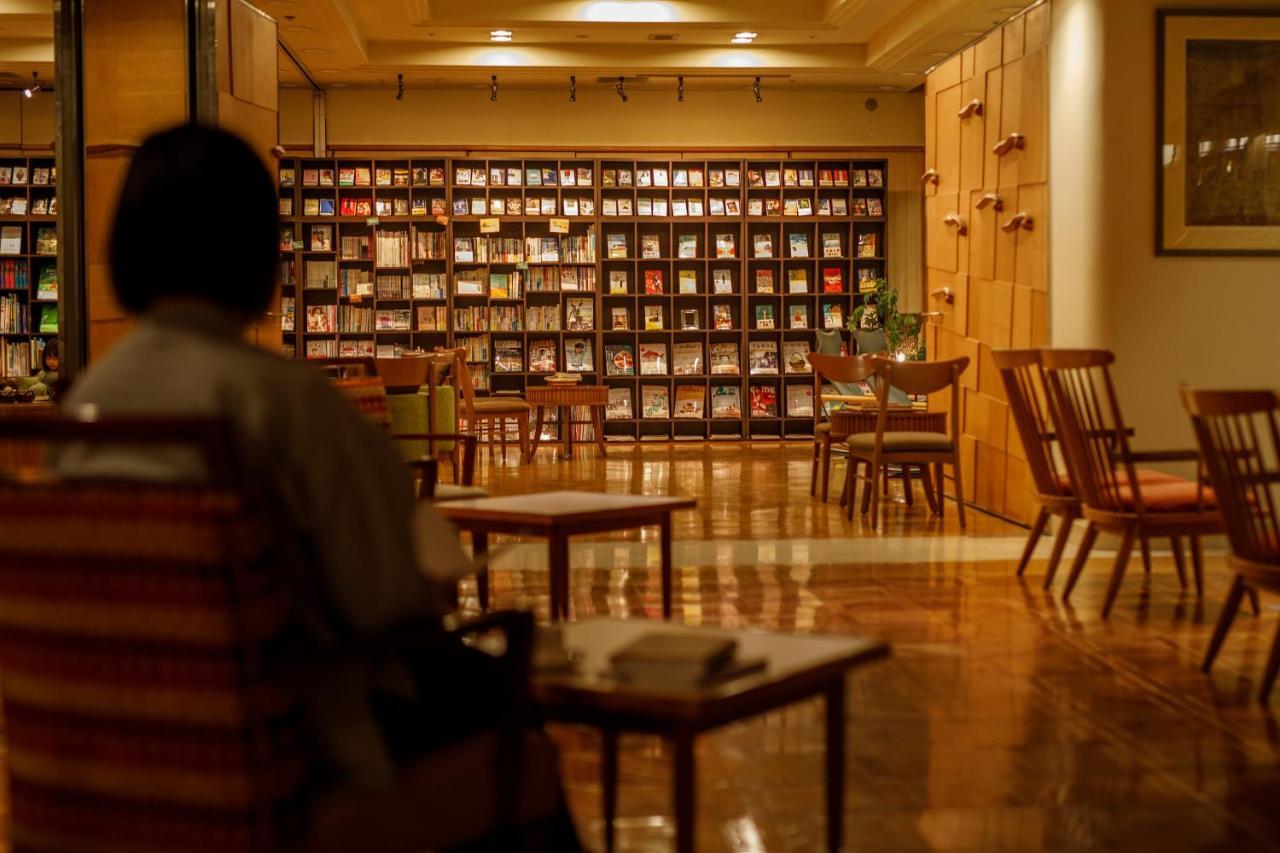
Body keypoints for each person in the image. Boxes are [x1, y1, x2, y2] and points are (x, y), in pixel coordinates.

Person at [62, 124, 580, 851]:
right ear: (261, 253)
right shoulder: (286, 401)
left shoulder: (80, 412)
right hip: (285, 749)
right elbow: (389, 598)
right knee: (499, 701)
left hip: (110, 755)